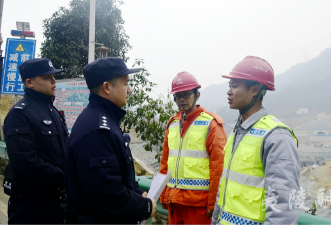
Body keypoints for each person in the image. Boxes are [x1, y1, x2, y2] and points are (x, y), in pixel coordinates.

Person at [65, 57, 156, 224]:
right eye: (125, 83)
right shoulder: (97, 130)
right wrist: (145, 207)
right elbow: (106, 195)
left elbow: (116, 176)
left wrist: (136, 192)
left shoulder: (104, 120)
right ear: (107, 87)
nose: (129, 90)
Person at [212, 56, 300, 225]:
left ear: (254, 90)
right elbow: (224, 190)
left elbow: (283, 206)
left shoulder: (276, 136)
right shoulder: (236, 132)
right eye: (229, 86)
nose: (229, 91)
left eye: (235, 86)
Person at [3, 58, 69, 224]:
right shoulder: (19, 114)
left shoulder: (52, 111)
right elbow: (25, 162)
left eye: (54, 77)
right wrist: (63, 179)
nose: (54, 81)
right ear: (29, 82)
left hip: (57, 202)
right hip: (31, 207)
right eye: (47, 78)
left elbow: (65, 149)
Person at [159, 71, 226, 224]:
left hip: (198, 204)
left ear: (197, 95)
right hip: (174, 201)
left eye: (186, 94)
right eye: (178, 96)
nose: (182, 99)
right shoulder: (172, 123)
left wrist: (212, 202)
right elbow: (165, 163)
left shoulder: (211, 124)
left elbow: (218, 167)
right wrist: (163, 193)